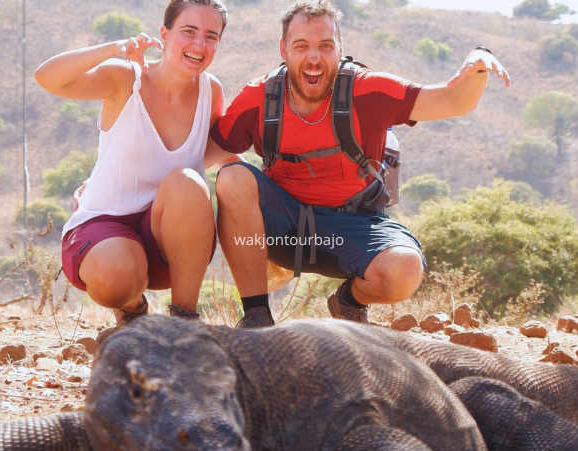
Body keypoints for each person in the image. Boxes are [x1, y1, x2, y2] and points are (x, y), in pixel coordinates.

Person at [207, 0, 510, 327]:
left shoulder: (367, 91)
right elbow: (207, 152)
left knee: (405, 270)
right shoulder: (261, 97)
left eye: (325, 45)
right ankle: (256, 316)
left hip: (353, 227)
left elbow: (455, 100)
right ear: (284, 49)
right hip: (285, 228)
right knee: (231, 178)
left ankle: (349, 302)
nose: (314, 57)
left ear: (340, 48)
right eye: (301, 46)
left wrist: (479, 62)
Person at [34, 0, 232, 333]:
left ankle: (183, 326)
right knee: (116, 278)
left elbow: (207, 156)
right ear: (164, 35)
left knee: (189, 182)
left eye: (211, 36)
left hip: (164, 238)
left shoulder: (211, 91)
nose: (200, 45)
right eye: (189, 31)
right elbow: (47, 78)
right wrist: (115, 48)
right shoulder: (126, 79)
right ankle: (133, 311)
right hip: (104, 229)